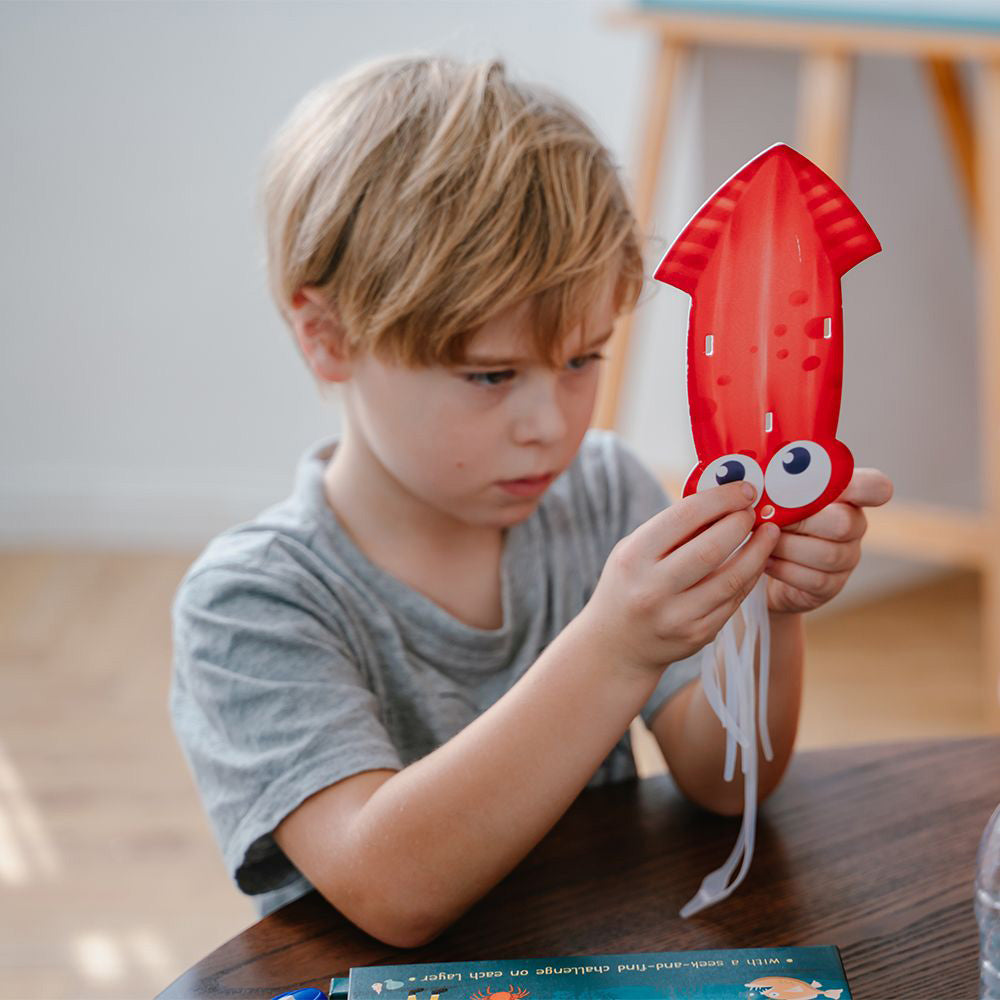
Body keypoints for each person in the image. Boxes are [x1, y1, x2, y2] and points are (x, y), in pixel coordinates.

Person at [169, 54, 893, 948]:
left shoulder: (603, 493)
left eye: (583, 360)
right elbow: (392, 890)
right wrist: (615, 647)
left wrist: (766, 610)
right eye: (491, 375)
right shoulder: (250, 604)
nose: (551, 425)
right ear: (325, 338)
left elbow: (727, 784)